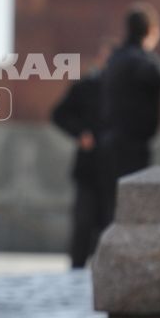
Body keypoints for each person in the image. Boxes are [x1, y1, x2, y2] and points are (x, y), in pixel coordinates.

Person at [98, 3, 160, 220]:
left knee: (114, 209)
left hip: (113, 143)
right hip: (130, 147)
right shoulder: (138, 60)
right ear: (152, 31)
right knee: (129, 209)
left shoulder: (116, 58)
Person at [50, 38, 112, 268]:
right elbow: (58, 114)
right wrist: (80, 134)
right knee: (83, 224)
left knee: (109, 226)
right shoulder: (86, 87)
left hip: (114, 170)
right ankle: (75, 272)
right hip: (88, 169)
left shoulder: (123, 92)